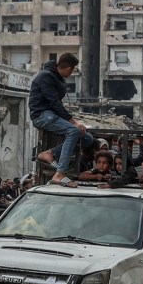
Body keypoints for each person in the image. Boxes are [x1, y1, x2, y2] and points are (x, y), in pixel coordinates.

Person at [30, 52, 94, 187]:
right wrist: (73, 122)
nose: (71, 74)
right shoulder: (46, 76)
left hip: (52, 114)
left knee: (87, 138)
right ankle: (60, 173)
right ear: (69, 68)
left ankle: (49, 153)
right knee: (74, 131)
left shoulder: (56, 77)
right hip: (41, 115)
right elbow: (54, 102)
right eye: (72, 71)